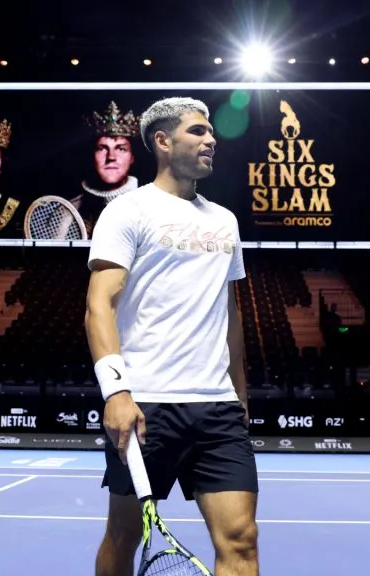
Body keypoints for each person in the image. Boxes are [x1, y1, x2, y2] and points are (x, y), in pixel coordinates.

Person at [84, 96, 260, 576]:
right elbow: (100, 304)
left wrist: (240, 393)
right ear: (162, 141)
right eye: (199, 132)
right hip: (146, 406)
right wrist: (116, 391)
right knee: (124, 536)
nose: (212, 140)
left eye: (210, 133)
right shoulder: (128, 211)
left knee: (241, 539)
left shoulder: (224, 220)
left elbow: (230, 310)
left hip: (217, 407)